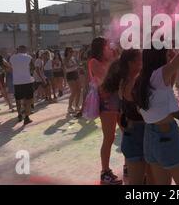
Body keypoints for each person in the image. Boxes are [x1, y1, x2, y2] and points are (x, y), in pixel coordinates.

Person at [136, 45, 179, 185]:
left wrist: (172, 111)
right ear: (159, 56)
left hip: (150, 136)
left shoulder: (142, 78)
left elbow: (150, 106)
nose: (170, 55)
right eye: (167, 53)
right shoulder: (160, 74)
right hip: (167, 136)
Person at [87, 37, 121, 184]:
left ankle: (128, 165)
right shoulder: (94, 62)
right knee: (109, 137)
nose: (110, 48)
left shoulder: (110, 60)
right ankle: (105, 172)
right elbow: (106, 78)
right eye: (107, 46)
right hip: (106, 102)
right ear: (101, 48)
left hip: (118, 98)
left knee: (127, 131)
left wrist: (117, 59)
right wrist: (114, 61)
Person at [118, 49, 149, 184]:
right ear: (131, 63)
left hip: (134, 133)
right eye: (140, 59)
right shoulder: (131, 82)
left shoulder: (127, 80)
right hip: (137, 133)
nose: (143, 62)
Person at [9, 45, 34, 125]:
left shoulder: (12, 57)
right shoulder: (28, 57)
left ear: (18, 50)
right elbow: (32, 67)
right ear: (25, 50)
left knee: (18, 99)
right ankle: (26, 117)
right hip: (27, 80)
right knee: (28, 99)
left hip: (17, 81)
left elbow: (10, 67)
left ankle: (19, 114)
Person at [63, 47, 81, 115]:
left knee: (79, 90)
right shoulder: (65, 59)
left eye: (72, 51)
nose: (71, 52)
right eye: (70, 51)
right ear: (67, 52)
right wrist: (76, 65)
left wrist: (77, 66)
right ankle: (69, 107)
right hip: (70, 75)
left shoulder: (73, 58)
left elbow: (77, 65)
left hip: (75, 74)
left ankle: (76, 106)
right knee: (73, 91)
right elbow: (67, 67)